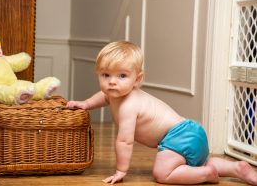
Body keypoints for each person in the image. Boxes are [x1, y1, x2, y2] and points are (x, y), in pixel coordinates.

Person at [66, 41, 257, 185]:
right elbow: (103, 96)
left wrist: (121, 170)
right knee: (201, 159)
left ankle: (206, 174)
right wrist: (85, 104)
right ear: (98, 73)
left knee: (162, 174)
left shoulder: (128, 106)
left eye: (122, 75)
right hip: (191, 132)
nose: (112, 82)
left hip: (178, 136)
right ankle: (237, 168)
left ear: (137, 79)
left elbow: (125, 141)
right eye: (106, 75)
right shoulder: (114, 94)